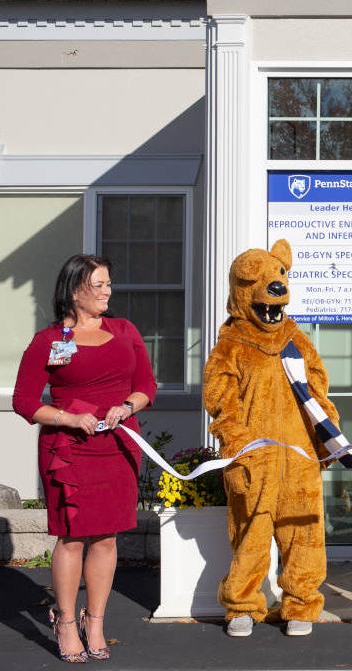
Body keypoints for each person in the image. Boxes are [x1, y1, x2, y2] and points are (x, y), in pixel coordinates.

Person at [13, 254, 156, 662]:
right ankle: (65, 621)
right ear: (75, 289)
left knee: (108, 537)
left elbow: (146, 384)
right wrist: (70, 418)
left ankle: (95, 621)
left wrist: (127, 406)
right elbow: (25, 401)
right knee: (72, 537)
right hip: (69, 450)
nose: (108, 291)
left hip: (117, 446)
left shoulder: (125, 331)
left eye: (109, 283)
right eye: (99, 284)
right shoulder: (48, 341)